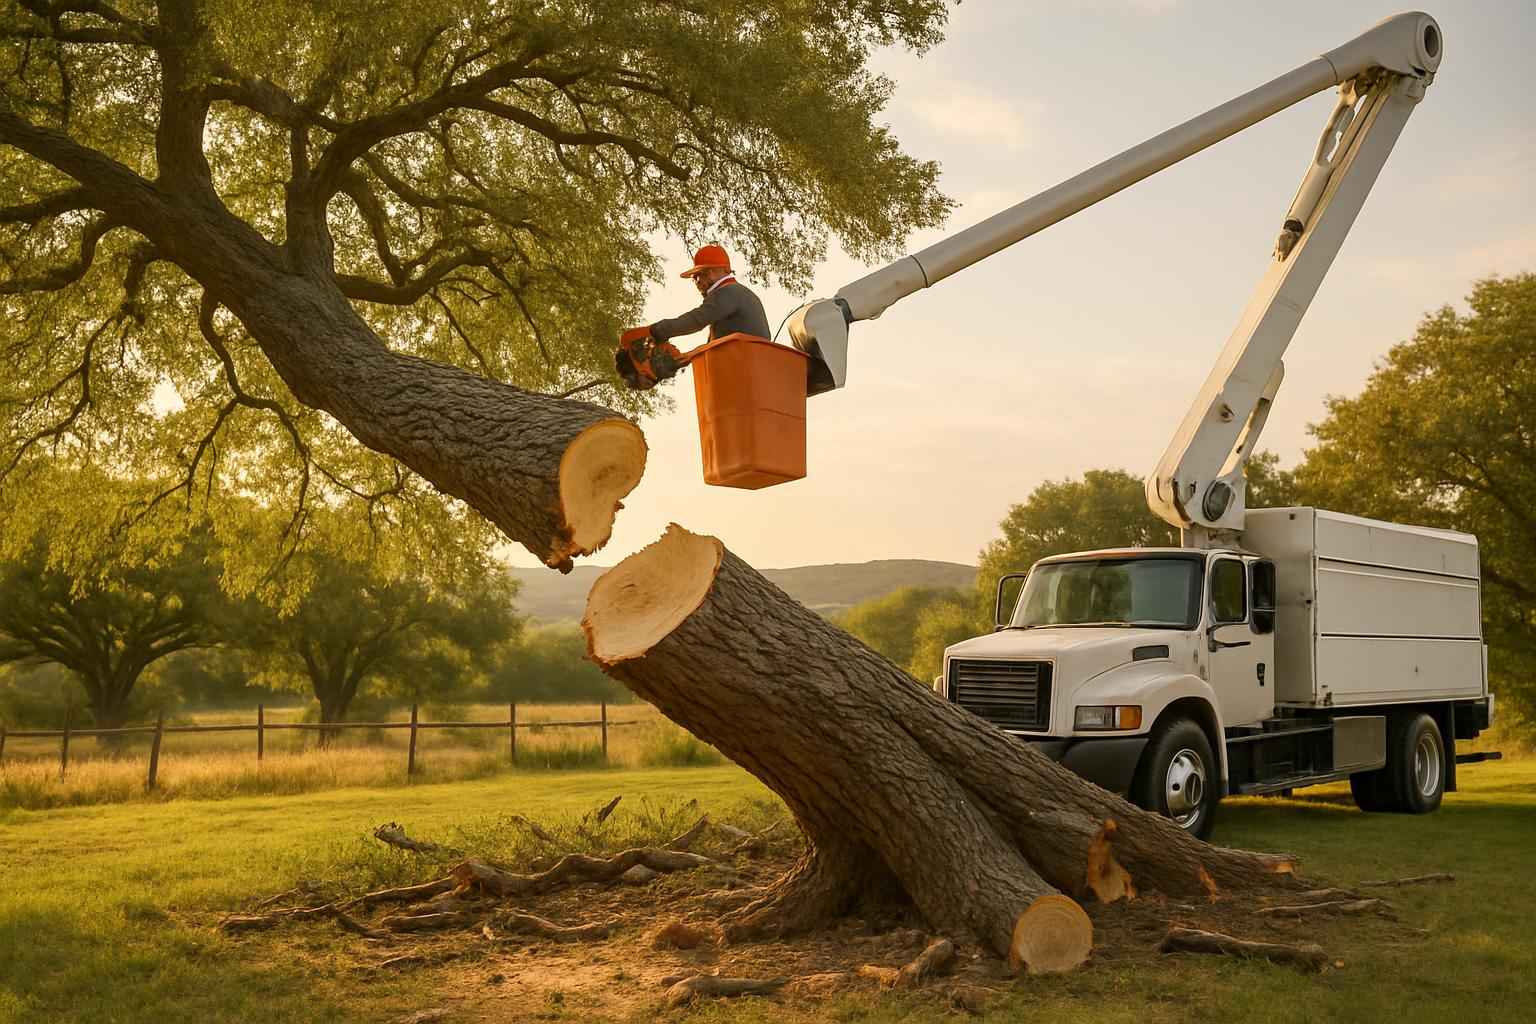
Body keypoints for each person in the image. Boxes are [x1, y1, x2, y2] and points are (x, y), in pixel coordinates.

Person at [648, 244, 771, 342]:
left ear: (710, 273)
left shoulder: (727, 292)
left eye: (696, 276)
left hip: (740, 362)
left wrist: (657, 330)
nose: (696, 282)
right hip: (754, 360)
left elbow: (697, 320)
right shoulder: (744, 293)